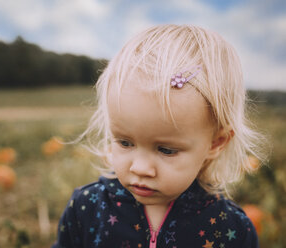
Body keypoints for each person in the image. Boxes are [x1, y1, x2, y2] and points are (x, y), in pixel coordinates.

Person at [52, 24, 266, 248]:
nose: (141, 168)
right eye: (125, 143)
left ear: (216, 142)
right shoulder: (86, 209)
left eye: (166, 149)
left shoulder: (230, 229)